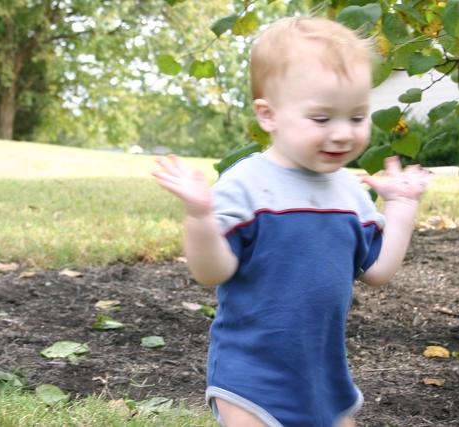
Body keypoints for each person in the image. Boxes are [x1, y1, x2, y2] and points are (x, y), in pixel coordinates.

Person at [152, 16, 432, 427]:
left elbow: (377, 271)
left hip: (323, 376)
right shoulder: (246, 185)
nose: (343, 134)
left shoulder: (350, 192)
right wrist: (200, 216)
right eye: (321, 118)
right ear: (268, 115)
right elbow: (212, 272)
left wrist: (402, 207)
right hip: (250, 375)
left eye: (357, 117)